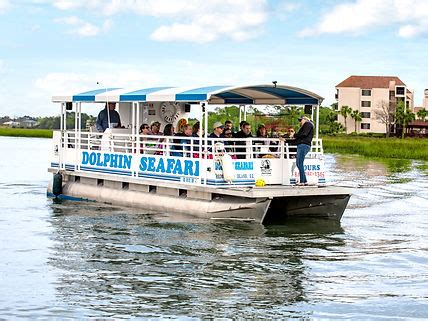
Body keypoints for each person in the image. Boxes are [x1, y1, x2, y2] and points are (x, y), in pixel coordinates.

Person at [294, 116, 314, 185]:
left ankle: (302, 181)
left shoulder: (308, 124)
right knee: (298, 163)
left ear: (305, 119)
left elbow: (304, 134)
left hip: (303, 145)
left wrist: (295, 135)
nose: (300, 122)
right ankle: (304, 181)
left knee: (300, 163)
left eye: (301, 120)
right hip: (302, 145)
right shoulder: (307, 125)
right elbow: (299, 137)